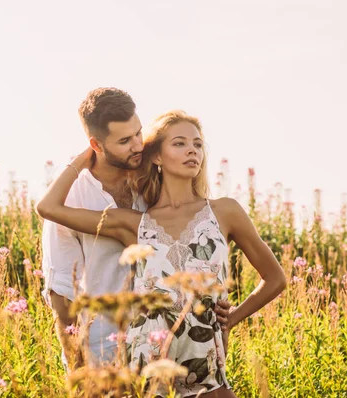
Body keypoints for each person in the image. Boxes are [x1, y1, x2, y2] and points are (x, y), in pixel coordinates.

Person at [37, 109, 287, 397]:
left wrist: (232, 318)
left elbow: (275, 278)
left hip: (206, 368)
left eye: (197, 144)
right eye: (179, 143)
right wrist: (85, 158)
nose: (192, 151)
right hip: (146, 366)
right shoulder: (134, 222)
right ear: (156, 156)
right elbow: (49, 208)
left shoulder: (225, 212)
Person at [40, 87, 234, 370]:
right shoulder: (72, 197)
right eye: (124, 141)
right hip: (102, 351)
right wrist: (77, 364)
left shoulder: (154, 183)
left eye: (138, 133)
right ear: (96, 145)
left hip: (163, 347)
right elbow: (61, 292)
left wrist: (215, 303)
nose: (137, 145)